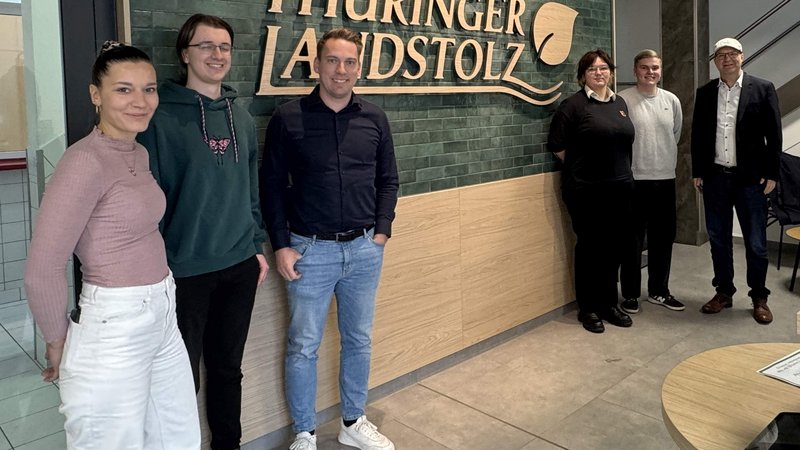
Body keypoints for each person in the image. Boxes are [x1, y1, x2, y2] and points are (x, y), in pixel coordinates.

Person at [24, 41, 201, 449]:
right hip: (115, 325)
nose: (140, 101)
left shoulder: (137, 152)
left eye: (149, 89)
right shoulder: (84, 161)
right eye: (124, 89)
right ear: (95, 95)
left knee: (178, 438)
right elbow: (43, 268)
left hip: (161, 312)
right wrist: (57, 339)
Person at [260, 28, 399, 450]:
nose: (341, 70)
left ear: (359, 67)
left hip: (363, 250)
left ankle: (353, 422)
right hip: (308, 252)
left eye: (350, 62)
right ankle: (304, 432)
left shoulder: (374, 118)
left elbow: (388, 179)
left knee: (359, 339)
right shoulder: (288, 117)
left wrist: (382, 230)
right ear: (317, 65)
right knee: (304, 344)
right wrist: (281, 244)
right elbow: (269, 185)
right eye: (333, 61)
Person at [137, 14, 268, 450]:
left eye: (224, 47)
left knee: (229, 368)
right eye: (206, 46)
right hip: (183, 271)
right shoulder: (159, 120)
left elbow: (251, 186)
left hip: (239, 267)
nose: (217, 55)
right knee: (180, 377)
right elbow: (147, 201)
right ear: (184, 54)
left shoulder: (242, 117)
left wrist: (256, 246)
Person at [691, 38, 782, 324]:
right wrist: (697, 171)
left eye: (732, 54)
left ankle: (759, 296)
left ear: (742, 57)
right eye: (721, 55)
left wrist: (773, 173)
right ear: (715, 61)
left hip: (751, 180)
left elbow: (774, 135)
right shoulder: (705, 93)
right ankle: (724, 292)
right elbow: (698, 136)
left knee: (756, 243)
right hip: (716, 177)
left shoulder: (762, 88)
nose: (726, 59)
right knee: (718, 240)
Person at [547, 48, 636, 334]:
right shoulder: (572, 106)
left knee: (613, 248)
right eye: (592, 69)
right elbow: (559, 148)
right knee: (590, 248)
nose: (599, 73)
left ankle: (610, 304)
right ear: (582, 76)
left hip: (620, 188)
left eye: (604, 68)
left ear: (611, 71)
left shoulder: (619, 102)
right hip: (586, 192)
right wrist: (586, 170)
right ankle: (588, 308)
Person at [618, 49, 685, 314]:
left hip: (665, 180)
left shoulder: (672, 100)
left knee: (663, 239)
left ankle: (659, 290)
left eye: (655, 68)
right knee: (631, 242)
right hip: (634, 180)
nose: (650, 72)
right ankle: (631, 294)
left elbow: (675, 134)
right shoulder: (622, 101)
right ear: (635, 71)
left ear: (661, 71)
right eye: (644, 68)